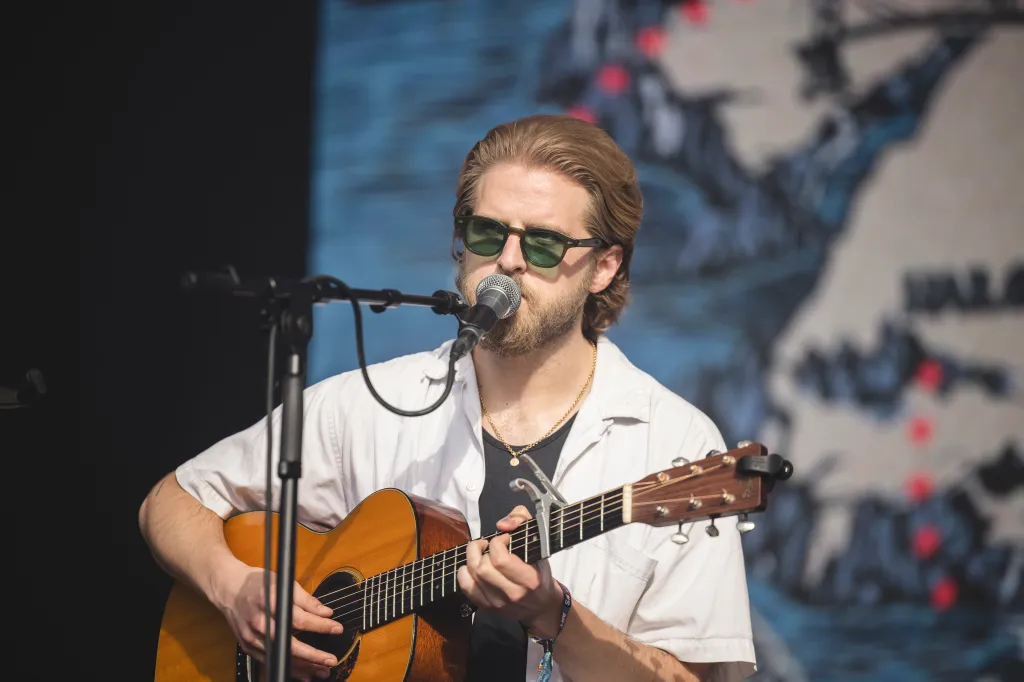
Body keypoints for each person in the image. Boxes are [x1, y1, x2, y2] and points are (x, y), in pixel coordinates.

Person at [139, 114, 755, 682]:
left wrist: (553, 616)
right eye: (488, 233)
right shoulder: (369, 403)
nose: (507, 262)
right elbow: (169, 501)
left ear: (604, 267)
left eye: (543, 243)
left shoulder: (673, 441)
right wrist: (234, 588)